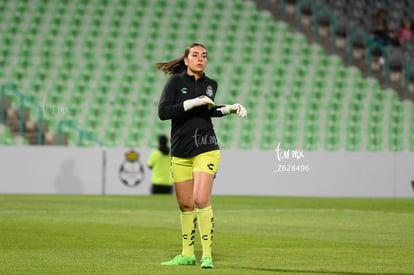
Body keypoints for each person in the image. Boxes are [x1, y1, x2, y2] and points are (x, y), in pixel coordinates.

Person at [156, 43, 247, 269]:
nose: (200, 59)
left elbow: (209, 110)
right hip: (180, 151)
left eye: (204, 56)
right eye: (195, 55)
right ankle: (187, 254)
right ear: (186, 60)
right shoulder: (175, 82)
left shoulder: (210, 84)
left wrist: (229, 108)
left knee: (200, 200)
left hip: (206, 147)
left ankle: (206, 255)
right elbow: (163, 112)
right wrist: (191, 102)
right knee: (186, 205)